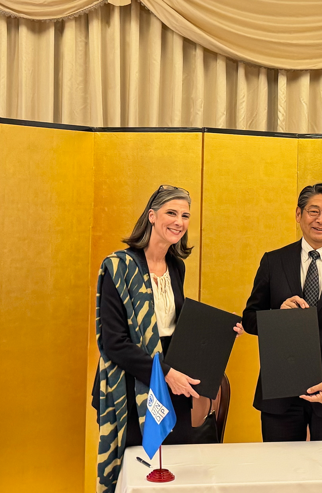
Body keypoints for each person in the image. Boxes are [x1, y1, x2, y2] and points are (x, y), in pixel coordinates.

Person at [92, 185, 243, 492]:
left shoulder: (176, 266)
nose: (179, 221)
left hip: (174, 384)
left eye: (185, 215)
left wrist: (221, 331)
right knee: (140, 472)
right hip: (132, 386)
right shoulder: (118, 267)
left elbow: (179, 323)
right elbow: (114, 343)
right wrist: (165, 373)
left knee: (176, 472)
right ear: (152, 216)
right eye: (171, 213)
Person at [242, 183, 322, 442]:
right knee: (280, 473)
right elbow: (249, 319)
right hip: (280, 392)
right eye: (313, 211)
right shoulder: (273, 261)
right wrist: (277, 314)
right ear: (298, 214)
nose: (320, 220)